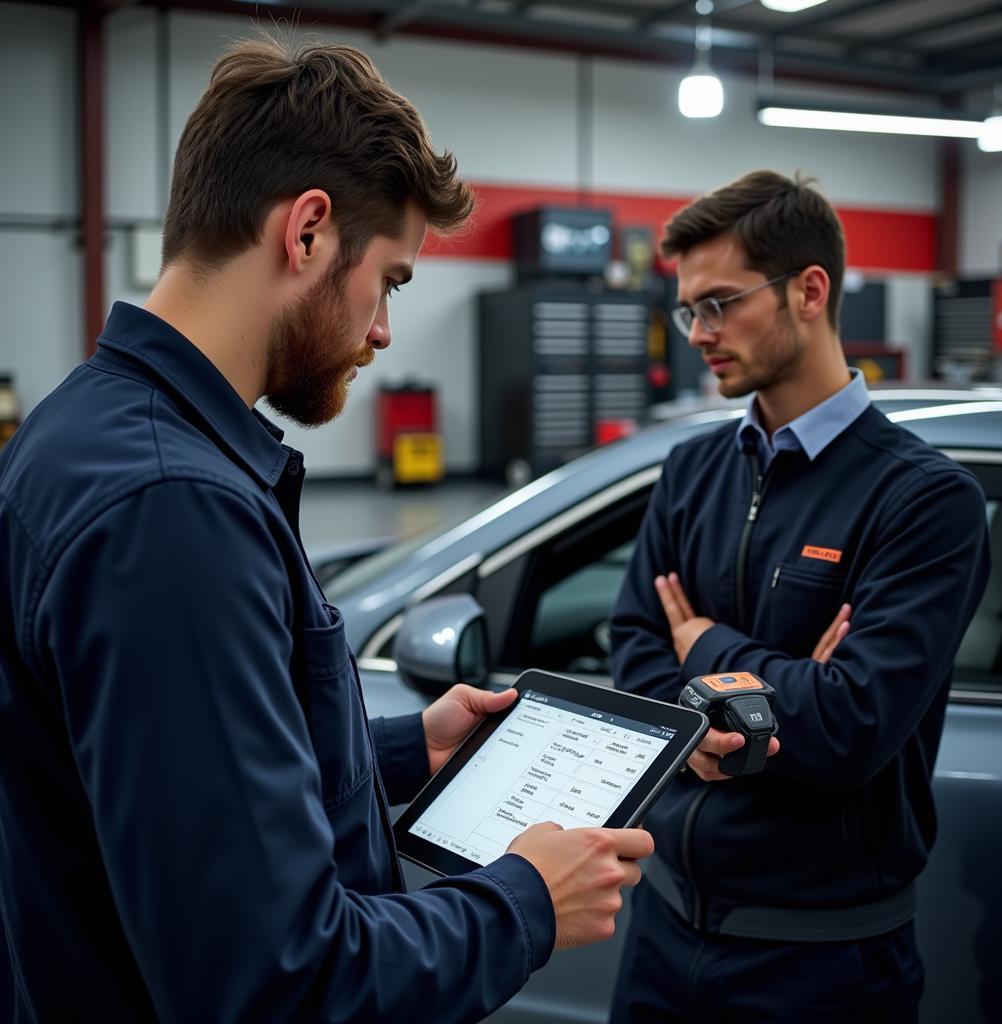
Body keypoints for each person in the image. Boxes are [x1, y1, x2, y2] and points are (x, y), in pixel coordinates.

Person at [0, 36, 654, 1023]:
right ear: (307, 231)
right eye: (389, 279)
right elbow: (278, 983)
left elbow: (161, 778)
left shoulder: (84, 430)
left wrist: (398, 751)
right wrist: (526, 899)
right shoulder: (174, 510)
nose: (385, 328)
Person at [608, 170, 990, 1023]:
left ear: (809, 291)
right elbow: (632, 650)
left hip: (822, 960)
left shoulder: (924, 500)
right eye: (689, 311)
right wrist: (742, 701)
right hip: (664, 930)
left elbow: (848, 723)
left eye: (721, 304)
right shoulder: (690, 469)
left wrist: (704, 648)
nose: (699, 333)